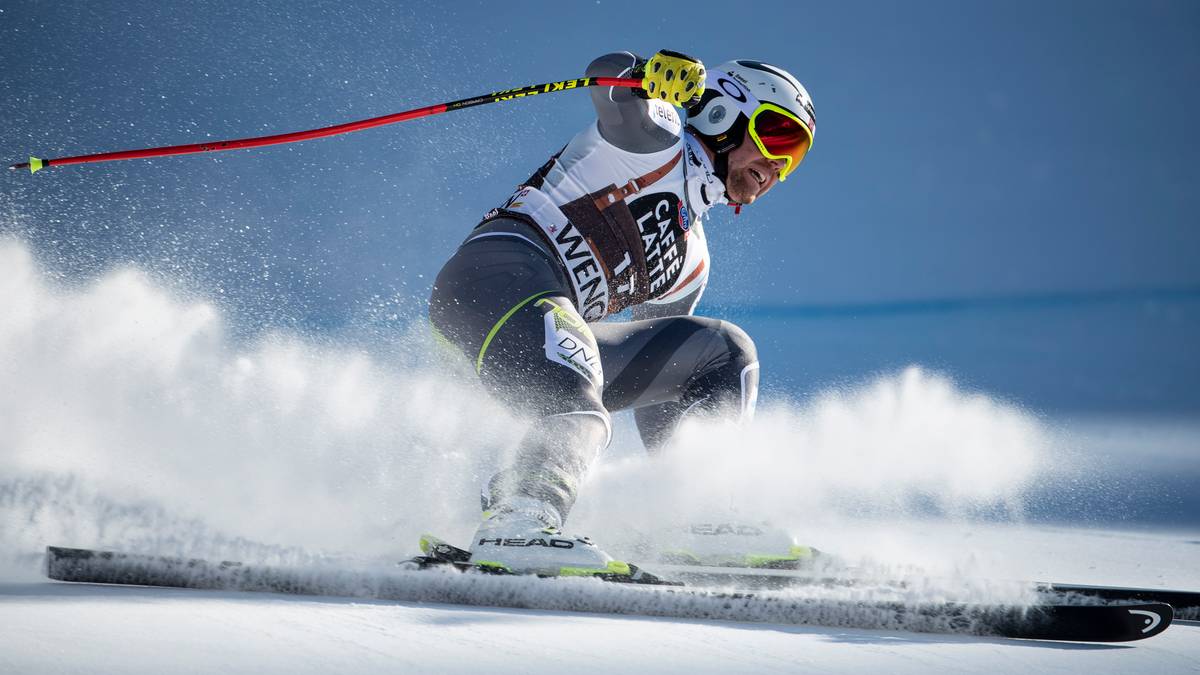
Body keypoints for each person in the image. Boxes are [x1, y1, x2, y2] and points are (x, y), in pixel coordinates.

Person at [428, 50, 816, 576]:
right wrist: (645, 70)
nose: (778, 165)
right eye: (778, 136)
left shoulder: (690, 262)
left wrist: (670, 489)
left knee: (721, 350)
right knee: (580, 402)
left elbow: (665, 380)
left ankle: (696, 517)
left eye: (795, 155)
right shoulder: (654, 138)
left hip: (554, 336)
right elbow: (605, 79)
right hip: (493, 280)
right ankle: (516, 521)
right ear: (726, 116)